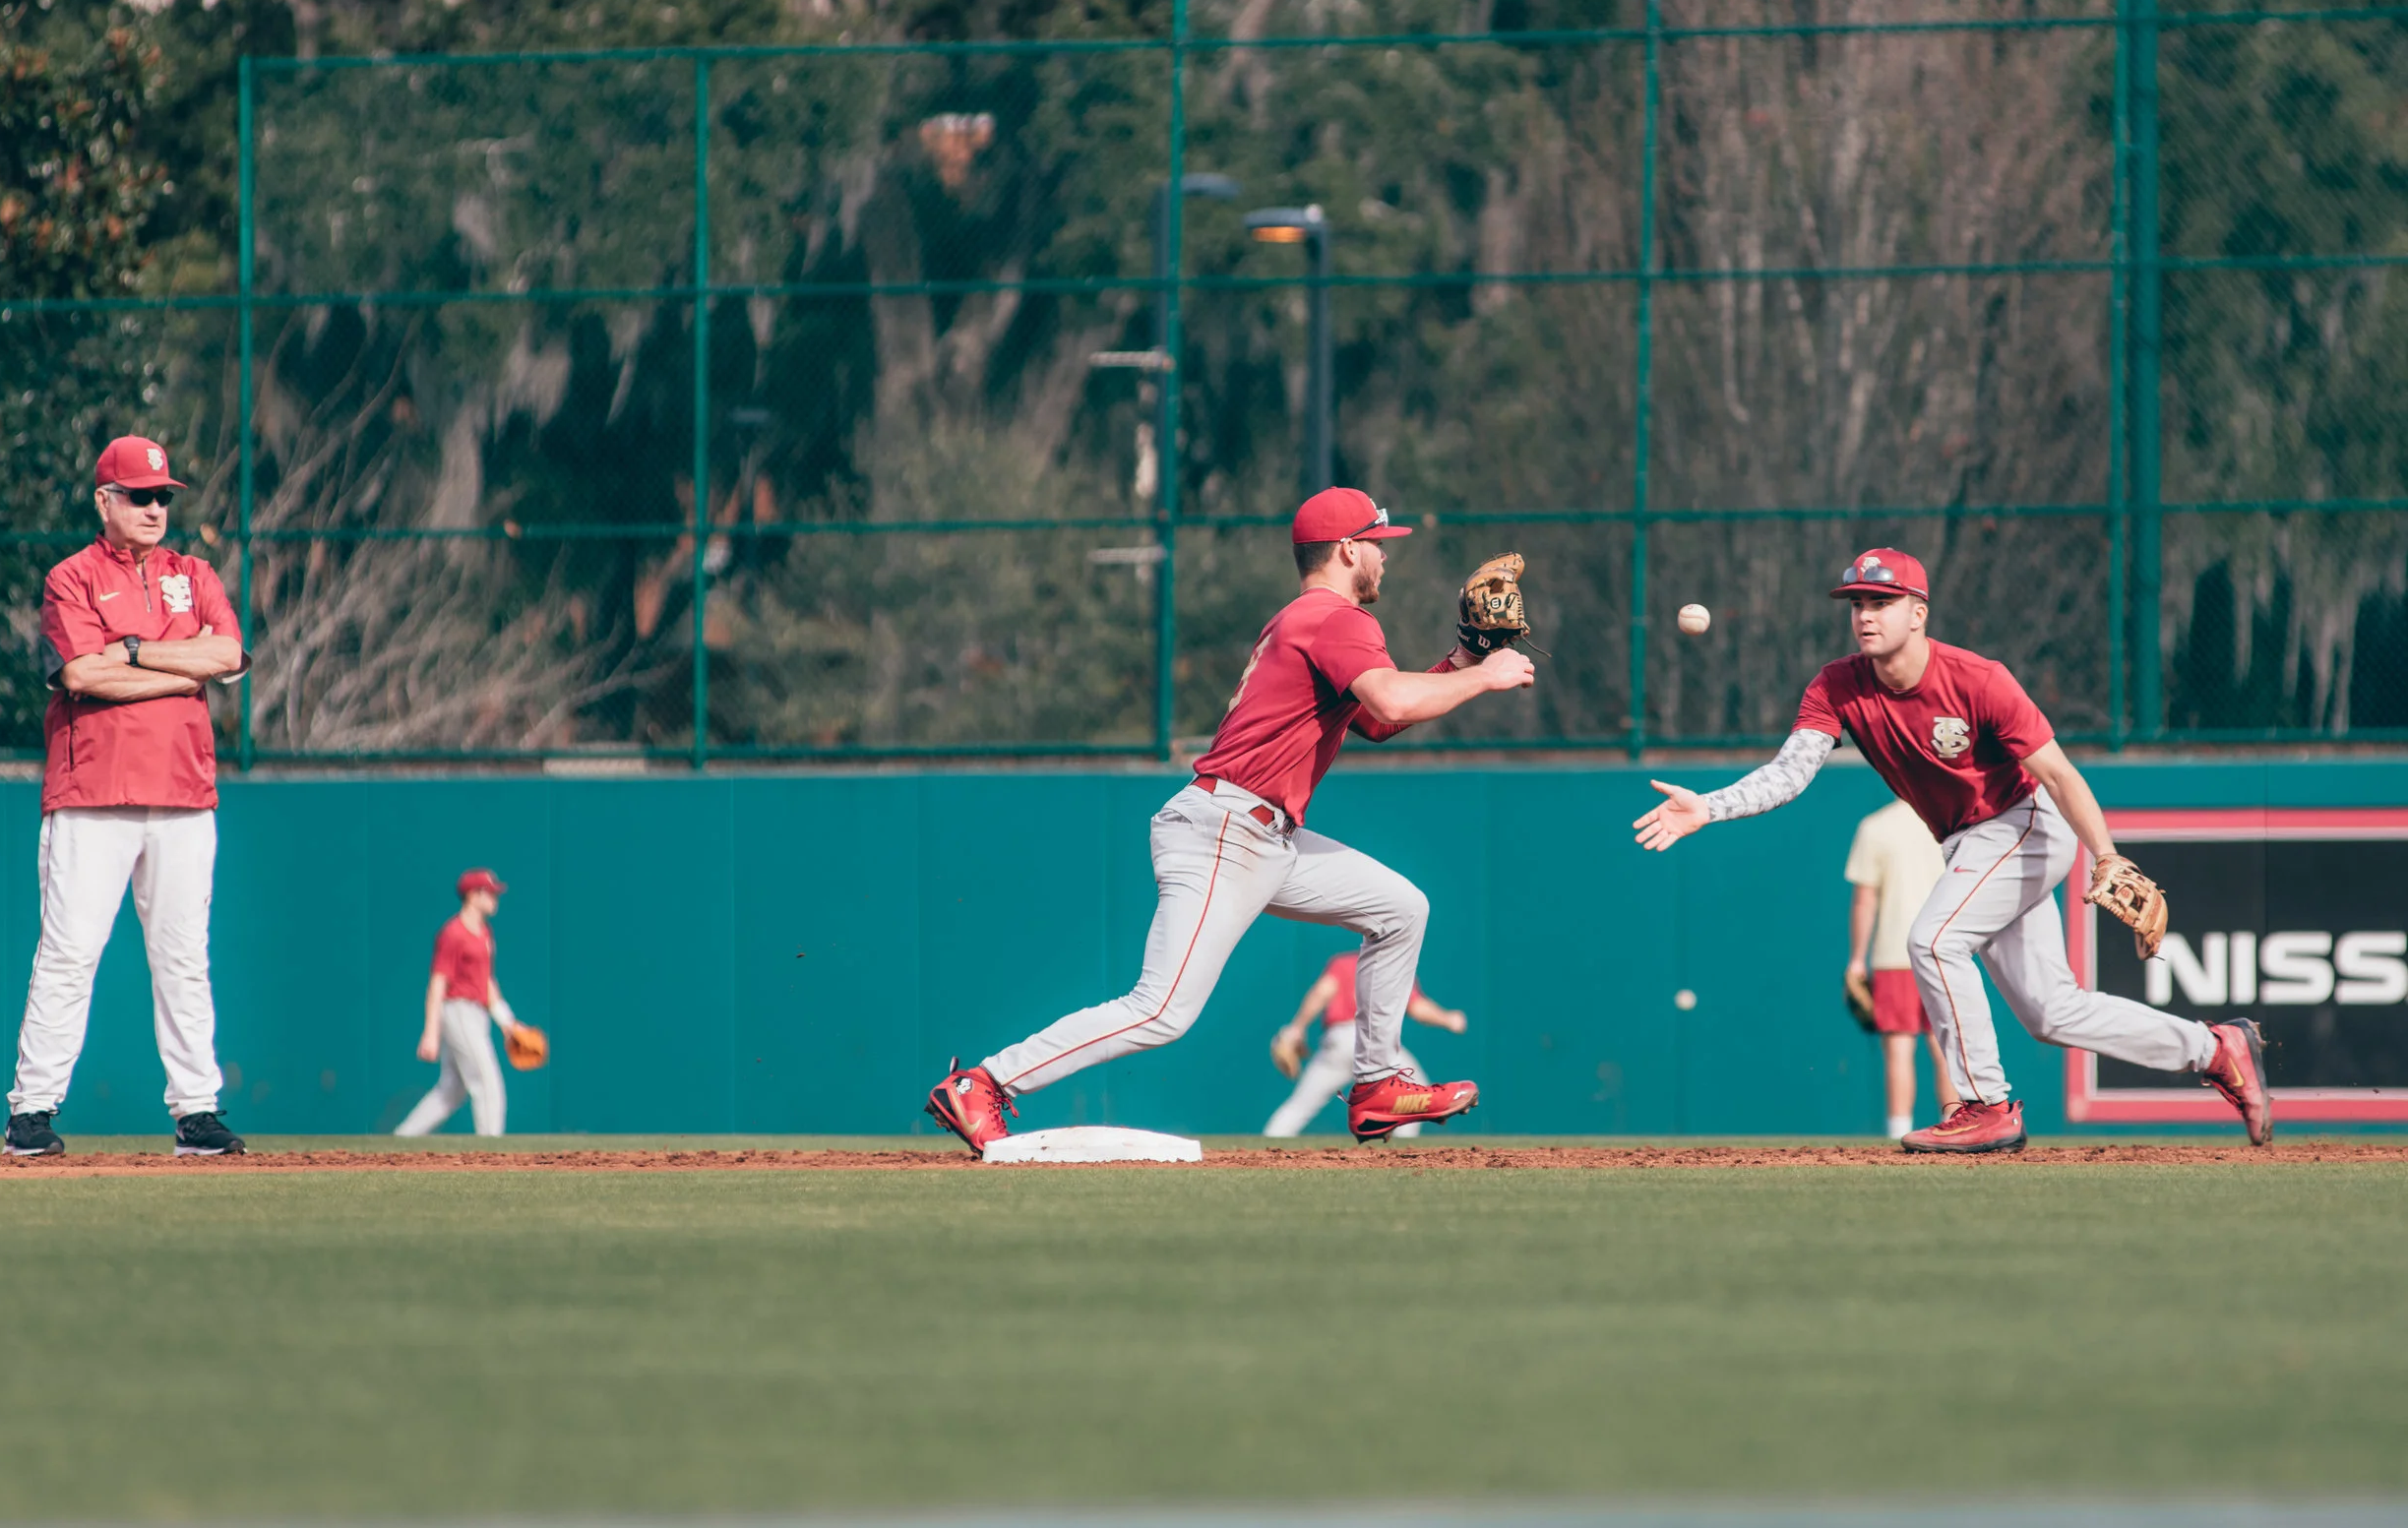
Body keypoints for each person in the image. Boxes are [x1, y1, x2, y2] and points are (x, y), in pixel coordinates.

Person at [925, 487, 1534, 1152]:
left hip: (1261, 834)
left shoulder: (1307, 620)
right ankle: (985, 1083)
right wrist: (1487, 676)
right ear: (1348, 548)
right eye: (1379, 547)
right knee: (1160, 1009)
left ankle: (1377, 1083)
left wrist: (1466, 657)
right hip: (1229, 828)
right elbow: (1391, 696)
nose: (1385, 561)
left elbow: (1380, 720)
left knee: (1400, 907)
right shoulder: (1336, 619)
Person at [1632, 547, 2273, 1153]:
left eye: (1881, 601)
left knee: (1933, 940)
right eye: (1856, 603)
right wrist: (1711, 806)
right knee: (2053, 1011)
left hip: (2023, 822)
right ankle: (2216, 1049)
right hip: (1968, 842)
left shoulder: (1978, 679)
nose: (1864, 615)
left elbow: (2059, 774)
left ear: (1919, 612)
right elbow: (1790, 773)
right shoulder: (1837, 686)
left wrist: (2105, 853)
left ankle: (1986, 1105)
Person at [4, 436, 250, 1158]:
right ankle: (32, 1110)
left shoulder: (194, 572)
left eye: (162, 496)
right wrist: (182, 668)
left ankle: (197, 1109)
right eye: (139, 495)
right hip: (91, 790)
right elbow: (82, 674)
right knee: (70, 951)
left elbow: (229, 655)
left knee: (183, 955)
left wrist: (138, 652)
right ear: (103, 500)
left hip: (183, 788)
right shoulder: (71, 577)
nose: (153, 508)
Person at [1842, 800, 1960, 1139]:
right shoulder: (1950, 818)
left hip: (1895, 952)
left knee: (1898, 1048)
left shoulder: (1877, 826)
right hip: (1945, 951)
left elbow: (1865, 899)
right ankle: (1956, 1128)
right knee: (1946, 1049)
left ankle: (1898, 1131)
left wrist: (1856, 959)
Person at [1264, 949, 1468, 1138]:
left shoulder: (1344, 963)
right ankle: (1403, 1152)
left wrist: (1297, 1027)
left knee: (1300, 1105)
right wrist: (1447, 1019)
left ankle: (1266, 1150)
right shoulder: (1396, 969)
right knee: (1415, 1090)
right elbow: (1418, 1008)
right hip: (1372, 1040)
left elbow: (1321, 993)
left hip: (1339, 1040)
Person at [395, 869, 530, 1138]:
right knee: (487, 1082)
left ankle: (403, 1138)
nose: (495, 898)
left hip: (477, 1013)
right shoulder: (453, 933)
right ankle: (492, 1150)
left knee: (451, 1090)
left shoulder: (484, 933)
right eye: (490, 893)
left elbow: (487, 981)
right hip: (458, 1009)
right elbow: (437, 984)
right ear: (472, 895)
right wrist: (431, 1032)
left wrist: (507, 1022)